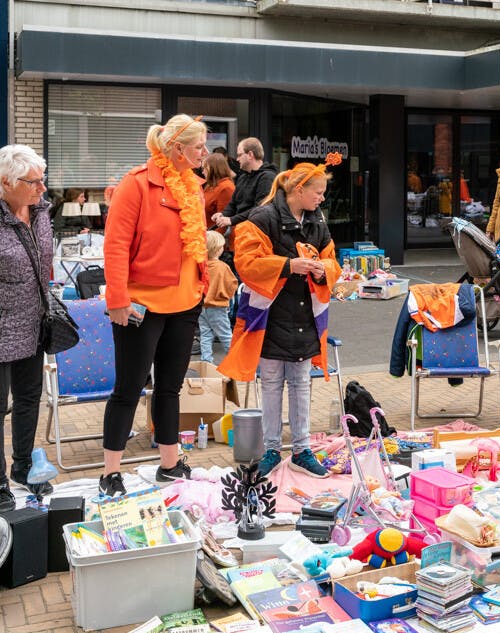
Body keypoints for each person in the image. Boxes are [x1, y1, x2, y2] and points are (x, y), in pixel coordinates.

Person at [100, 114, 210, 496]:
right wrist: (117, 299)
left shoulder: (194, 185)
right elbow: (114, 246)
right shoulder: (136, 184)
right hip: (139, 304)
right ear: (178, 148)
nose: (204, 152)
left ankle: (169, 463)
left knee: (170, 388)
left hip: (184, 302)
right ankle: (111, 471)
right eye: (199, 146)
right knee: (128, 388)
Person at [218, 158, 342, 478]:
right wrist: (290, 266)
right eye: (318, 192)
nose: (322, 198)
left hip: (303, 313)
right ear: (299, 191)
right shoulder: (262, 217)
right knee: (271, 383)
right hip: (268, 316)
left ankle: (301, 449)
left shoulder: (317, 221)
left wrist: (321, 269)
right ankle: (272, 448)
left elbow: (332, 261)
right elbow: (246, 263)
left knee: (301, 384)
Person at [0, 144, 55, 510]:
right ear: (5, 182)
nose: (42, 188)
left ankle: (22, 468)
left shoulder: (40, 212)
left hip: (33, 324)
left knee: (28, 399)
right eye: (33, 182)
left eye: (42, 179)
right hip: (2, 326)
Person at [210, 137, 278, 235]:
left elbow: (259, 209)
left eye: (239, 155)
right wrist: (223, 214)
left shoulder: (267, 177)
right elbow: (233, 204)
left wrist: (231, 220)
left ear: (250, 155)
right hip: (241, 233)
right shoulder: (243, 177)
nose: (237, 159)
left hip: (256, 234)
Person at [199, 230, 238, 363]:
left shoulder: (200, 266)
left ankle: (206, 362)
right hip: (218, 306)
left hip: (202, 306)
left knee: (205, 334)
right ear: (218, 249)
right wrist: (226, 296)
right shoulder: (223, 267)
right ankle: (234, 360)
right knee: (226, 335)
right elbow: (232, 284)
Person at [203, 153, 236, 229]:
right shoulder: (211, 186)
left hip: (215, 237)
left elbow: (223, 222)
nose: (203, 172)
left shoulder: (226, 188)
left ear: (212, 168)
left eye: (204, 168)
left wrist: (215, 240)